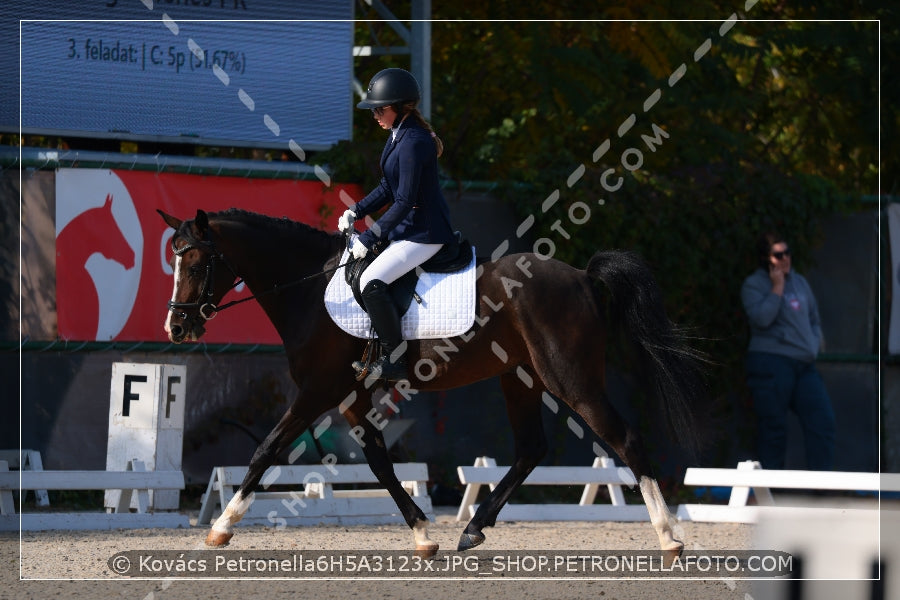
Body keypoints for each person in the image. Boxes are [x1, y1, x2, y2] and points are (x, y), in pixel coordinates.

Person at [337, 68, 456, 384]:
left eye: (380, 108)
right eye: (374, 109)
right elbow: (388, 187)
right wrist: (356, 211)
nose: (375, 114)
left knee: (371, 281)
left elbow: (403, 201)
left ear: (401, 107)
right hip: (410, 229)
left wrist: (371, 234)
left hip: (426, 233)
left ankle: (395, 359)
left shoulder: (414, 142)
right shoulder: (398, 135)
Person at [740, 232, 835, 470]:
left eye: (787, 253)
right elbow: (761, 319)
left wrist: (813, 345)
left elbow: (814, 319)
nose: (784, 259)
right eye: (778, 255)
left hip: (804, 365)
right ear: (765, 258)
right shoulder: (754, 284)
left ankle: (822, 490)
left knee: (822, 421)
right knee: (773, 429)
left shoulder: (801, 282)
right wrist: (777, 287)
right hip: (772, 363)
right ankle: (771, 494)